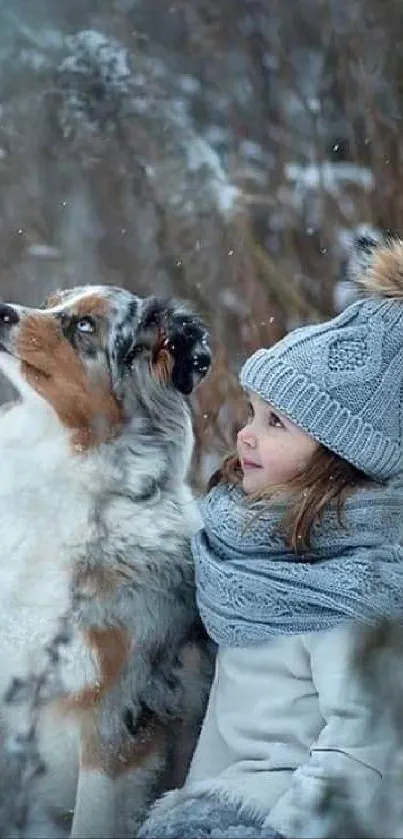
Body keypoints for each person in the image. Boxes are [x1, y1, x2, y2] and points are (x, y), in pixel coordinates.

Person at [138, 238, 403, 839]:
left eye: (276, 423)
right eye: (253, 412)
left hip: (272, 815)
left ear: (343, 457)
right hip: (213, 795)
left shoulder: (356, 590)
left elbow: (366, 750)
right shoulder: (247, 544)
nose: (245, 436)